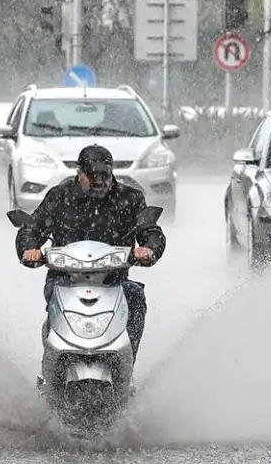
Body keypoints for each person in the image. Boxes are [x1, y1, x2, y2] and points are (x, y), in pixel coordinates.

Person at [15, 144, 166, 362]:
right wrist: (30, 249)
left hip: (114, 282)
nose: (99, 184)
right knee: (56, 294)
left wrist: (149, 248)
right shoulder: (59, 196)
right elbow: (33, 227)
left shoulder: (130, 199)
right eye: (92, 177)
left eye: (104, 177)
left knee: (135, 296)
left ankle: (126, 361)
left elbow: (150, 230)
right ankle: (51, 362)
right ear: (80, 174)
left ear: (112, 173)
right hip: (63, 278)